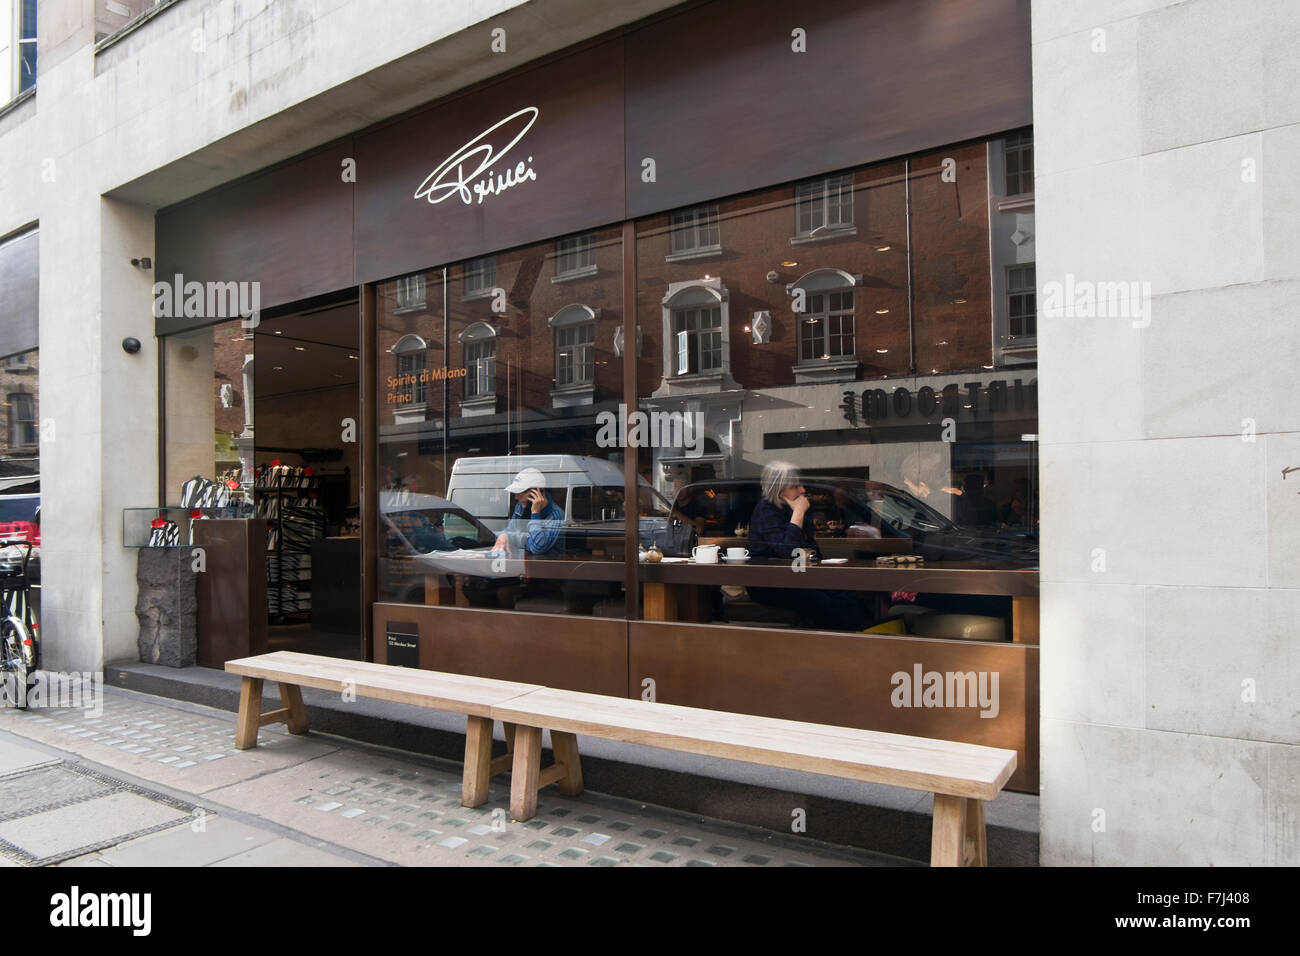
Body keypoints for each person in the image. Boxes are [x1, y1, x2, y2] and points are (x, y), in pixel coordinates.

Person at [745, 461, 871, 631]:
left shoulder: (790, 508)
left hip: (798, 577)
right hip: (770, 583)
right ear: (779, 490)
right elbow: (787, 550)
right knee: (822, 601)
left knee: (845, 592)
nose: (803, 490)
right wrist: (798, 513)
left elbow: (810, 549)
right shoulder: (766, 510)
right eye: (795, 486)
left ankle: (854, 637)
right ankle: (842, 643)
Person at [491, 467, 564, 556]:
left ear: (538, 491)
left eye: (521, 492)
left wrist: (535, 514)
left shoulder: (556, 516)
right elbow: (510, 531)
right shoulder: (521, 506)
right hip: (523, 562)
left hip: (548, 566)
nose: (516, 497)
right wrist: (504, 535)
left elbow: (537, 547)